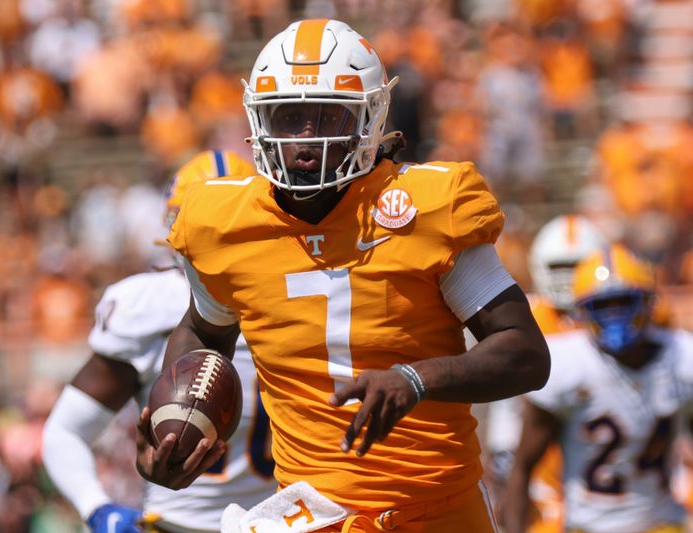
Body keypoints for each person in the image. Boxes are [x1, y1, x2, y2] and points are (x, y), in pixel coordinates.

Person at [136, 19, 550, 532]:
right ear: (259, 120)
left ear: (369, 116)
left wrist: (417, 379)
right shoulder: (224, 225)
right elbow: (204, 329)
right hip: (308, 513)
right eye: (289, 117)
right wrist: (177, 421)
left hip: (438, 509)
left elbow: (525, 351)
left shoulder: (424, 209)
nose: (308, 139)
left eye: (327, 114)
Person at [41, 149, 277, 533]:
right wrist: (98, 508)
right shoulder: (150, 305)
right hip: (174, 523)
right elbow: (64, 432)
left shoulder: (297, 295)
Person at [503, 244, 693, 533]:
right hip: (586, 526)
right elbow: (522, 468)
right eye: (604, 305)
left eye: (624, 301)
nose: (615, 316)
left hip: (661, 523)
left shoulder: (681, 357)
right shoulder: (567, 365)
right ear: (582, 310)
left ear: (649, 302)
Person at [484, 214, 605, 532]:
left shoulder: (611, 318)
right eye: (559, 268)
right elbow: (506, 399)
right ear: (539, 265)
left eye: (576, 267)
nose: (567, 279)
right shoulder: (527, 317)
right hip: (541, 460)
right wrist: (502, 450)